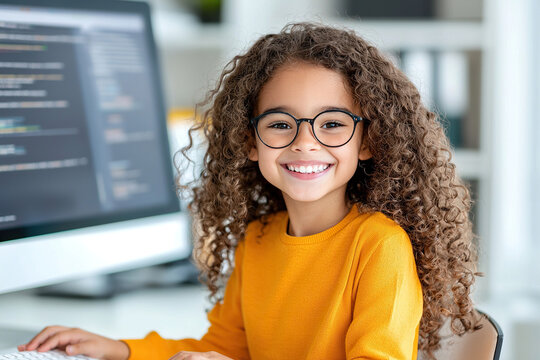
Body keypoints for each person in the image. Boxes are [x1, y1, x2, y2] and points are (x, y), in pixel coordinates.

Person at [18, 22, 481, 360]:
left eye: (333, 124)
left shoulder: (378, 245)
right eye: (280, 124)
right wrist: (119, 348)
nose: (304, 141)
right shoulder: (256, 240)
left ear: (369, 142)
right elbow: (224, 349)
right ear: (248, 140)